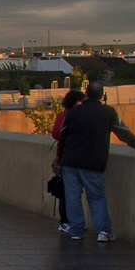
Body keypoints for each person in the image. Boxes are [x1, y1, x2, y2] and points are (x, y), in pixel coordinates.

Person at [55, 81, 135, 242]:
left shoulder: (73, 112)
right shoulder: (108, 112)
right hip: (93, 162)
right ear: (102, 95)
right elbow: (124, 133)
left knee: (72, 196)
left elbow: (63, 137)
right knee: (96, 196)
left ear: (86, 94)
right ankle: (103, 231)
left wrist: (61, 158)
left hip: (70, 161)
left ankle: (76, 231)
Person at [49, 89, 84, 232]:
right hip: (65, 158)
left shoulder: (76, 116)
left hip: (75, 157)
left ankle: (74, 221)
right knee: (66, 191)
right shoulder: (63, 116)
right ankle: (65, 221)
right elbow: (56, 133)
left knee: (73, 192)